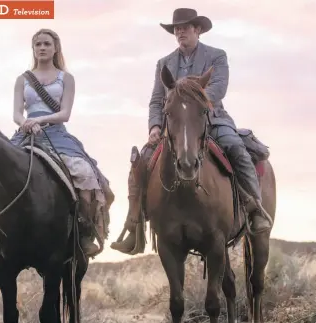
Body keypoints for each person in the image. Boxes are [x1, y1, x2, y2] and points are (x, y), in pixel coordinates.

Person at [110, 8, 273, 254]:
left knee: (236, 149)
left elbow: (218, 89)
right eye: (176, 28)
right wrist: (155, 126)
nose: (180, 31)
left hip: (211, 119)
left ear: (197, 30)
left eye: (185, 27)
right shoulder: (164, 63)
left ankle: (254, 208)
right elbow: (156, 99)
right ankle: (134, 224)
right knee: (140, 161)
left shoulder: (217, 56)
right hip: (173, 126)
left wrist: (191, 100)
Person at [0, 28, 114, 259]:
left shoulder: (66, 78)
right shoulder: (23, 79)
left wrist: (39, 119)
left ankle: (84, 232)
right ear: (33, 49)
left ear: (55, 48)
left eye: (46, 44)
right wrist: (26, 123)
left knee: (85, 173)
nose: (42, 47)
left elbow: (65, 114)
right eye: (38, 44)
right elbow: (16, 114)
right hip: (25, 134)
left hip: (57, 135)